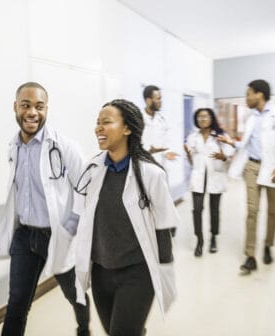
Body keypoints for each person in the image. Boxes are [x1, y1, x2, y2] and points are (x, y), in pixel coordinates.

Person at [0, 82, 90, 335]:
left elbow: (87, 188)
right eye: (26, 105)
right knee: (17, 304)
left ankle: (84, 329)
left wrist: (71, 226)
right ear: (16, 108)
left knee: (75, 294)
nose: (32, 112)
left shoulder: (65, 146)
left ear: (46, 109)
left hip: (58, 236)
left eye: (39, 106)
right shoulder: (14, 148)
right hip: (25, 237)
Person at [73, 99, 179, 336]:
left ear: (127, 128)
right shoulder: (92, 169)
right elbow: (84, 220)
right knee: (115, 331)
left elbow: (163, 228)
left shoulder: (151, 174)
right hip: (101, 272)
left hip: (137, 273)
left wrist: (162, 274)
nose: (98, 128)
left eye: (106, 122)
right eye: (97, 123)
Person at [218, 79, 275, 275]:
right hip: (252, 167)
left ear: (259, 95)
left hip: (273, 168)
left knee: (272, 210)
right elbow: (247, 144)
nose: (246, 98)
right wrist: (231, 142)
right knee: (252, 211)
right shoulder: (251, 118)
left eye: (248, 94)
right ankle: (250, 256)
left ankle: (268, 245)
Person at [183, 108, 234, 257]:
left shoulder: (221, 136)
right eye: (199, 117)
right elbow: (192, 161)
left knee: (214, 210)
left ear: (211, 118)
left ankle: (213, 238)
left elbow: (229, 156)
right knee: (197, 210)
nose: (202, 119)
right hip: (198, 177)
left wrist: (223, 157)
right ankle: (199, 240)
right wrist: (187, 154)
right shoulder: (193, 137)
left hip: (215, 176)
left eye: (205, 116)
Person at [142, 85, 180, 236]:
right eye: (158, 99)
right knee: (147, 199)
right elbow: (135, 142)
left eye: (161, 98)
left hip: (160, 166)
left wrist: (169, 152)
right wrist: (148, 150)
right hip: (144, 165)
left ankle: (168, 225)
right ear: (148, 100)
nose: (160, 101)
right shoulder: (138, 119)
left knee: (164, 198)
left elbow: (166, 142)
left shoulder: (162, 119)